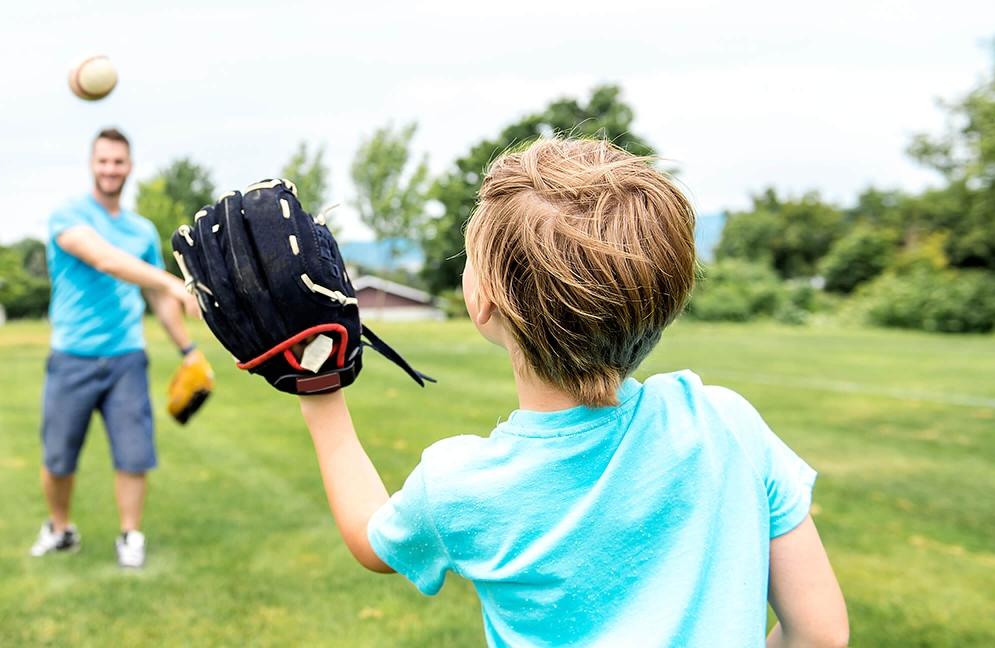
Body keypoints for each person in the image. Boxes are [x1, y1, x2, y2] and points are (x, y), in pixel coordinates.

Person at [296, 139, 849, 646]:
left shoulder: (463, 486)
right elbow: (819, 635)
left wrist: (317, 386)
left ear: (483, 299)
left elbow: (373, 543)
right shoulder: (725, 421)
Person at [30, 128, 201, 569]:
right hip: (72, 356)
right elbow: (106, 260)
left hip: (127, 356)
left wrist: (188, 349)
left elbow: (158, 299)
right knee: (58, 458)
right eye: (103, 161)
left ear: (130, 166)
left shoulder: (141, 229)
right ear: (92, 164)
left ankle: (130, 535)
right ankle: (60, 528)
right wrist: (171, 280)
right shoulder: (67, 216)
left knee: (133, 454)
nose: (111, 169)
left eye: (118, 161)